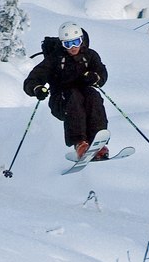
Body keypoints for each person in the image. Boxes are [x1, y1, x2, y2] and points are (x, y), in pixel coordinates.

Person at [23, 22, 109, 160]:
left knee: (93, 95)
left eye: (76, 42)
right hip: (61, 100)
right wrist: (37, 89)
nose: (73, 47)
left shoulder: (90, 56)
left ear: (82, 40)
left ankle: (98, 142)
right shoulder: (55, 59)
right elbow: (33, 79)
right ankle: (80, 143)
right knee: (73, 96)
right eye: (68, 44)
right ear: (62, 44)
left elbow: (101, 72)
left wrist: (95, 77)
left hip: (84, 95)